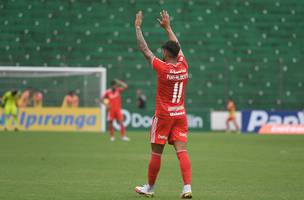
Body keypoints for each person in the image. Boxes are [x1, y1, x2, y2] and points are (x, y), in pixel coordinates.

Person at [134, 11, 192, 198]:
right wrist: (168, 28)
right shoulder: (184, 65)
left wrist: (137, 27)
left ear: (167, 53)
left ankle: (150, 188)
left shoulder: (163, 68)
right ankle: (187, 188)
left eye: (163, 51)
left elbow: (144, 50)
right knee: (181, 151)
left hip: (164, 116)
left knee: (156, 153)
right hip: (180, 115)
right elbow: (179, 47)